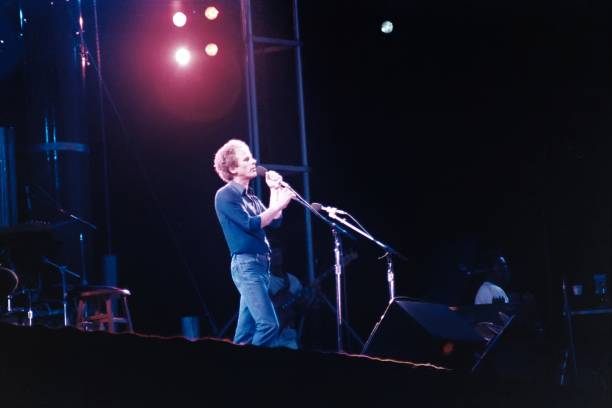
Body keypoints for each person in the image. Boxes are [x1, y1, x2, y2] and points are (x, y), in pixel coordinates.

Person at [213, 139, 295, 347]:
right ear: (233, 168)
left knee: (245, 333)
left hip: (260, 266)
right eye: (247, 159)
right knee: (269, 325)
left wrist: (274, 190)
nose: (254, 161)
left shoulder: (250, 197)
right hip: (247, 266)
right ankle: (253, 366)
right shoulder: (225, 195)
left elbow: (275, 221)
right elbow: (252, 224)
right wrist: (280, 204)